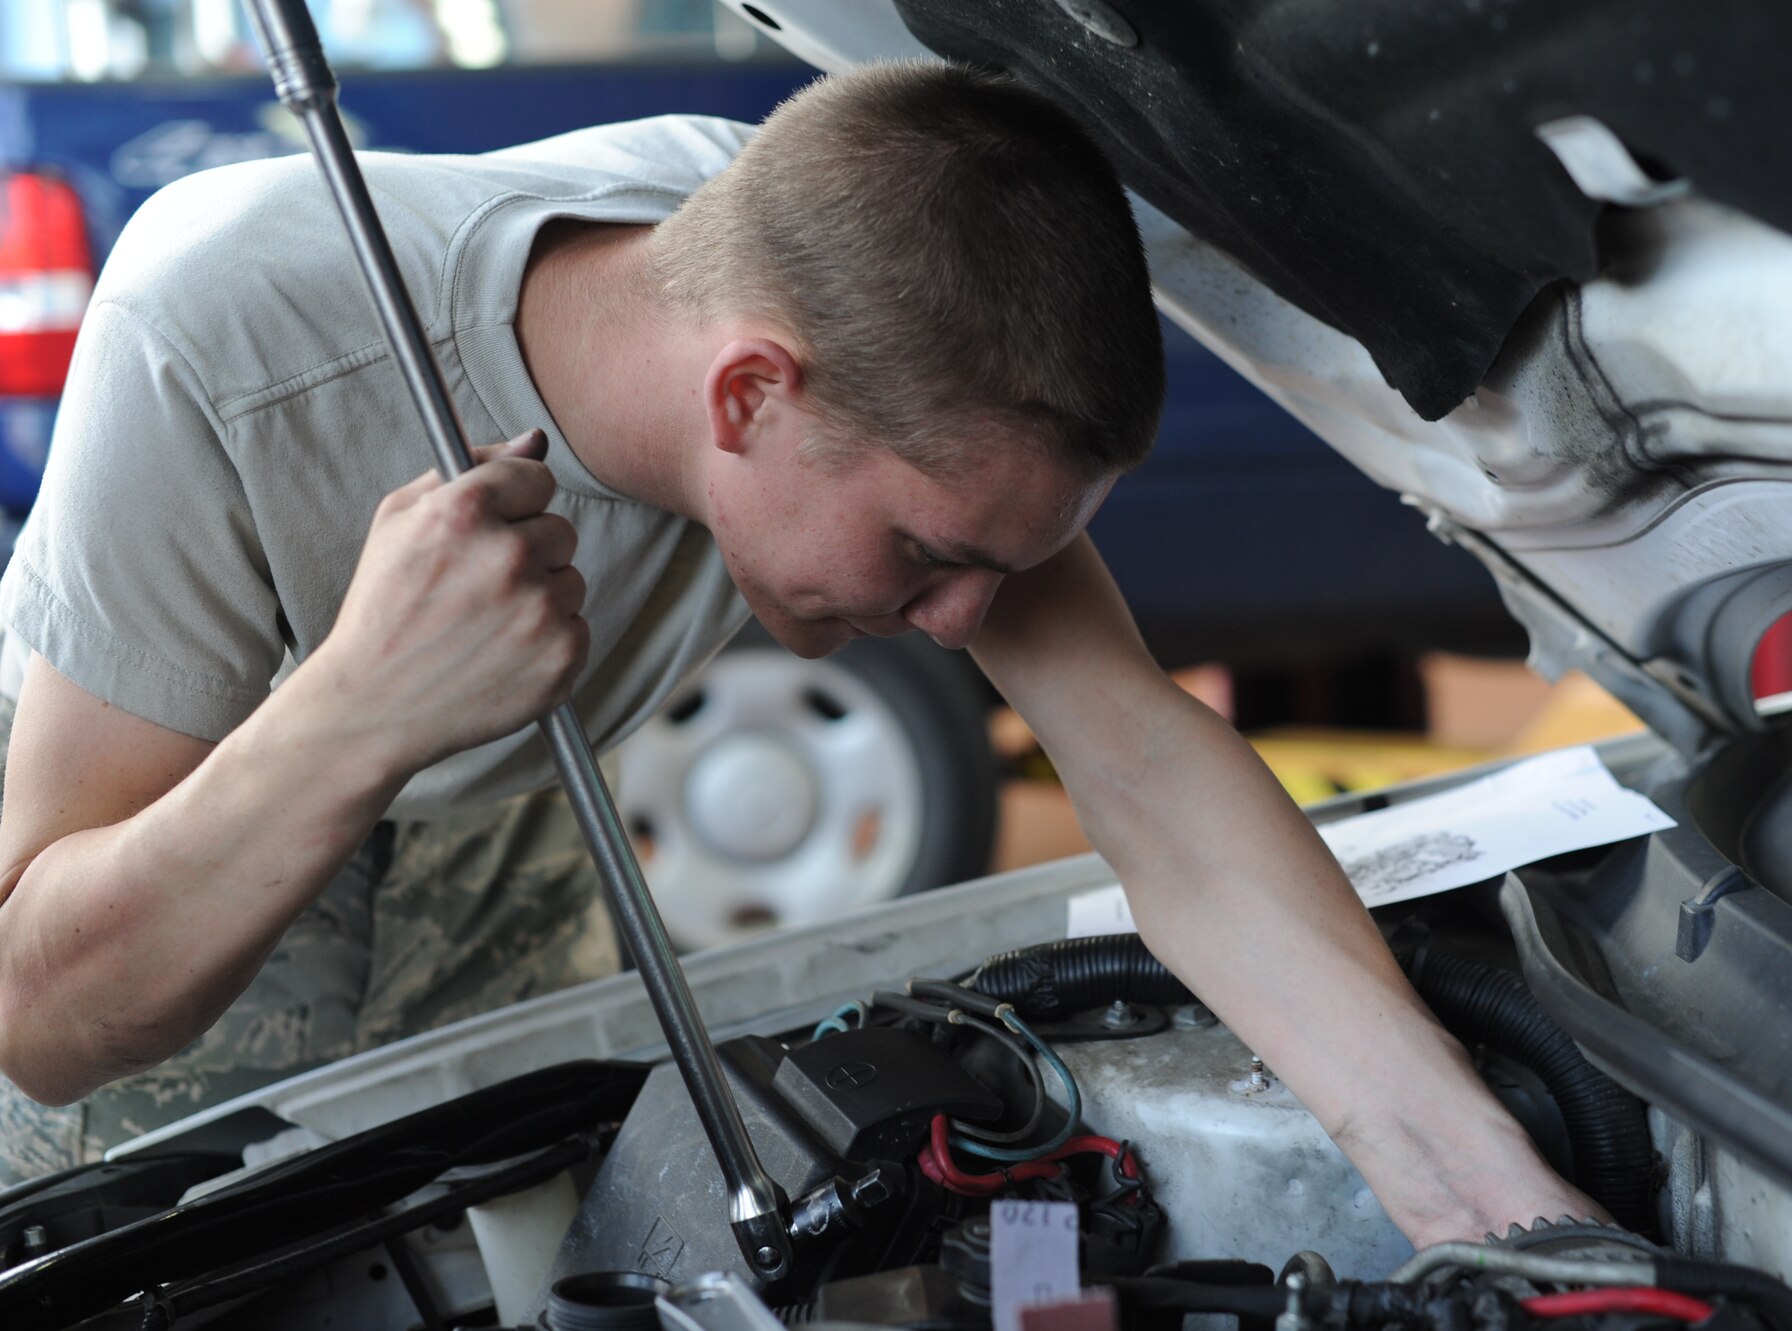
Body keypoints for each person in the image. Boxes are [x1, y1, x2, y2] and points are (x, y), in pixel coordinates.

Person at [0, 61, 1601, 1244]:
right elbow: (42, 1014)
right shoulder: (224, 342)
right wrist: (356, 714)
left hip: (497, 789)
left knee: (545, 1233)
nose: (966, 624)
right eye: (930, 556)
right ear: (748, 394)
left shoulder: (849, 278)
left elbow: (1144, 767)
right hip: (173, 808)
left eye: (1006, 566)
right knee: (189, 1257)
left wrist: (1490, 1203)